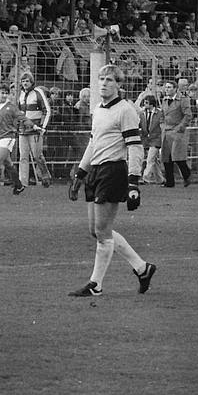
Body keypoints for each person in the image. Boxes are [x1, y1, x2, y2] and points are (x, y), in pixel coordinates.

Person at [67, 64, 156, 297]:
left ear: (118, 84)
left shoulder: (126, 110)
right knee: (96, 230)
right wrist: (80, 172)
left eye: (109, 80)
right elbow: (93, 142)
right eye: (102, 79)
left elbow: (135, 147)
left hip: (113, 171)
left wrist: (134, 182)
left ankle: (96, 284)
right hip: (95, 171)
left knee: (102, 231)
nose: (104, 83)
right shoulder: (97, 108)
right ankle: (142, 268)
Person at [17, 73, 53, 188]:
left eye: (27, 81)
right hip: (23, 130)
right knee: (23, 156)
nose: (25, 83)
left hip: (35, 130)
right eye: (23, 81)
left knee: (37, 155)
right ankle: (22, 182)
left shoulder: (38, 93)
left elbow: (47, 110)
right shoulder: (21, 94)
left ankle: (45, 175)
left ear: (32, 82)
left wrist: (43, 127)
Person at [159, 80, 192, 187]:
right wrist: (162, 125)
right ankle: (170, 181)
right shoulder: (164, 100)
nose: (166, 89)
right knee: (166, 157)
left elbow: (187, 115)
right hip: (166, 130)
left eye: (169, 87)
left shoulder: (182, 100)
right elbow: (162, 115)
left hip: (177, 131)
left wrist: (180, 127)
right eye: (166, 87)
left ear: (175, 88)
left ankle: (187, 175)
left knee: (177, 156)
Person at [139, 95, 164, 185]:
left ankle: (146, 177)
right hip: (146, 139)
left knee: (150, 159)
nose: (144, 104)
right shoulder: (142, 113)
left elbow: (162, 127)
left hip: (156, 139)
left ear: (152, 104)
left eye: (146, 103)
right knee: (154, 160)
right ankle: (160, 179)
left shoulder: (159, 113)